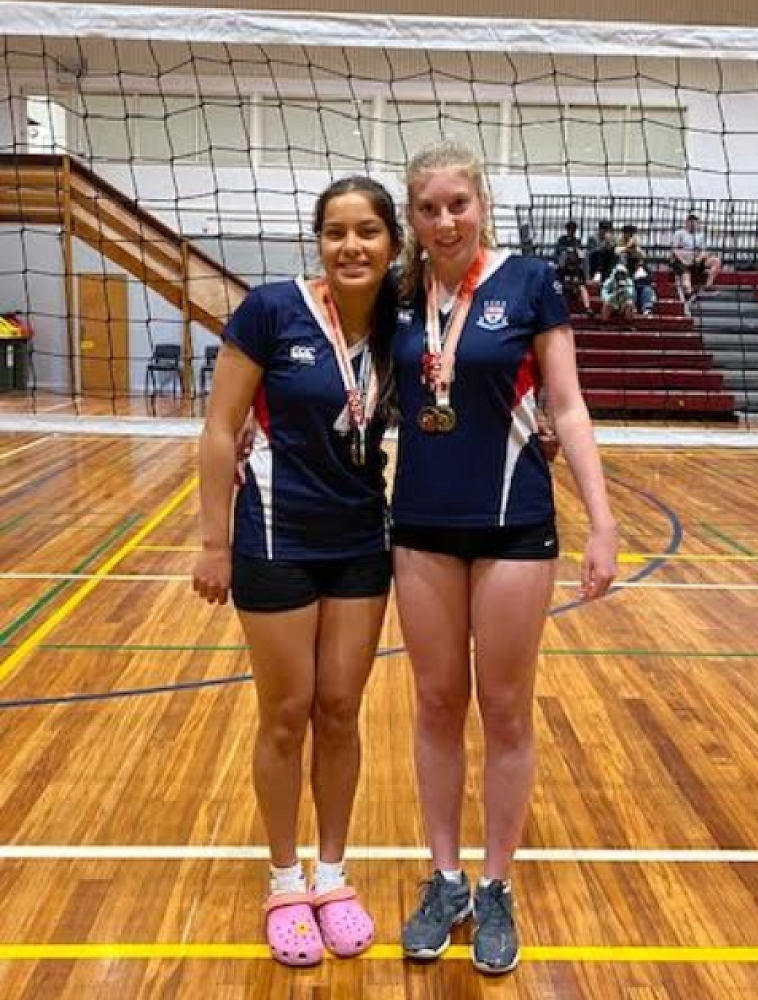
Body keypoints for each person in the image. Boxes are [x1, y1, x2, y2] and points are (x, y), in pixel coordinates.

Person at [391, 141, 618, 976]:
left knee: (506, 709)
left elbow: (567, 403)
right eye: (428, 208)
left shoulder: (528, 284)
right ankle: (445, 879)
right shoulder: (396, 294)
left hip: (514, 524)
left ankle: (494, 886)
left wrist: (601, 521)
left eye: (458, 203)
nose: (444, 220)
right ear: (411, 218)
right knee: (435, 703)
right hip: (420, 526)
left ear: (481, 204)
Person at [192, 176, 402, 968]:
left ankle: (333, 877)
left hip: (360, 542)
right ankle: (285, 882)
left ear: (391, 244)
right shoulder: (271, 311)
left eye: (367, 231)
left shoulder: (404, 323)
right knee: (286, 713)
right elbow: (220, 430)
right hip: (274, 539)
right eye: (335, 231)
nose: (351, 245)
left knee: (340, 711)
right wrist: (213, 543)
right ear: (318, 241)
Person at [670, 212, 721, 299]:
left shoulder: (701, 235)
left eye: (695, 221)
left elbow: (705, 251)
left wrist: (699, 258)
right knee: (686, 275)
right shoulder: (679, 233)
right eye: (690, 221)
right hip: (682, 260)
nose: (692, 223)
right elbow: (674, 250)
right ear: (686, 222)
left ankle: (707, 287)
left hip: (696, 260)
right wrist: (684, 260)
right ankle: (689, 293)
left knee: (716, 261)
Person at [553, 220, 592, 314]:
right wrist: (567, 251)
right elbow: (557, 251)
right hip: (563, 267)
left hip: (575, 272)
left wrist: (576, 253)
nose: (571, 231)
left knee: (582, 288)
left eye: (573, 229)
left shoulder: (577, 241)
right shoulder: (562, 240)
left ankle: (587, 308)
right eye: (570, 229)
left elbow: (580, 252)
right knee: (559, 288)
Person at [617, 223, 656, 316]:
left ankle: (647, 309)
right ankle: (632, 308)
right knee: (630, 289)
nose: (630, 235)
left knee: (647, 289)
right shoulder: (619, 252)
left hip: (640, 284)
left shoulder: (640, 254)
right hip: (625, 283)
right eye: (627, 233)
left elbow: (648, 275)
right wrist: (628, 249)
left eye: (631, 233)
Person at [587, 219, 617, 283]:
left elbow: (613, 249)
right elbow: (591, 251)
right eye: (603, 228)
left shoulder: (612, 238)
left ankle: (610, 275)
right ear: (599, 229)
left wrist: (609, 243)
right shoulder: (593, 238)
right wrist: (603, 245)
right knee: (598, 254)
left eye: (607, 228)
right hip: (595, 260)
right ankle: (598, 273)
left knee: (614, 255)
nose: (605, 230)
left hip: (607, 259)